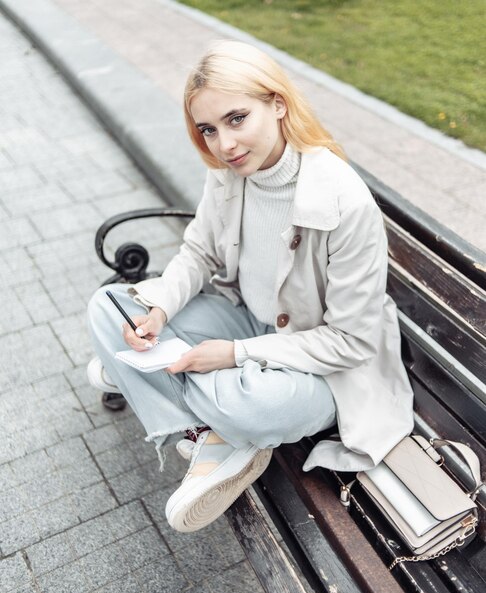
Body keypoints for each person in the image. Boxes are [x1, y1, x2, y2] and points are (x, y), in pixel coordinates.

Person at [87, 40, 414, 534]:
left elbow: (351, 343)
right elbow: (199, 252)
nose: (224, 144)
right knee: (109, 307)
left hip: (324, 368)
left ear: (278, 104)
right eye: (209, 129)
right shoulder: (227, 174)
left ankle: (165, 391)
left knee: (252, 403)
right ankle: (212, 435)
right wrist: (155, 310)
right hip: (249, 319)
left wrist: (234, 355)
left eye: (237, 118)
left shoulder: (344, 202)